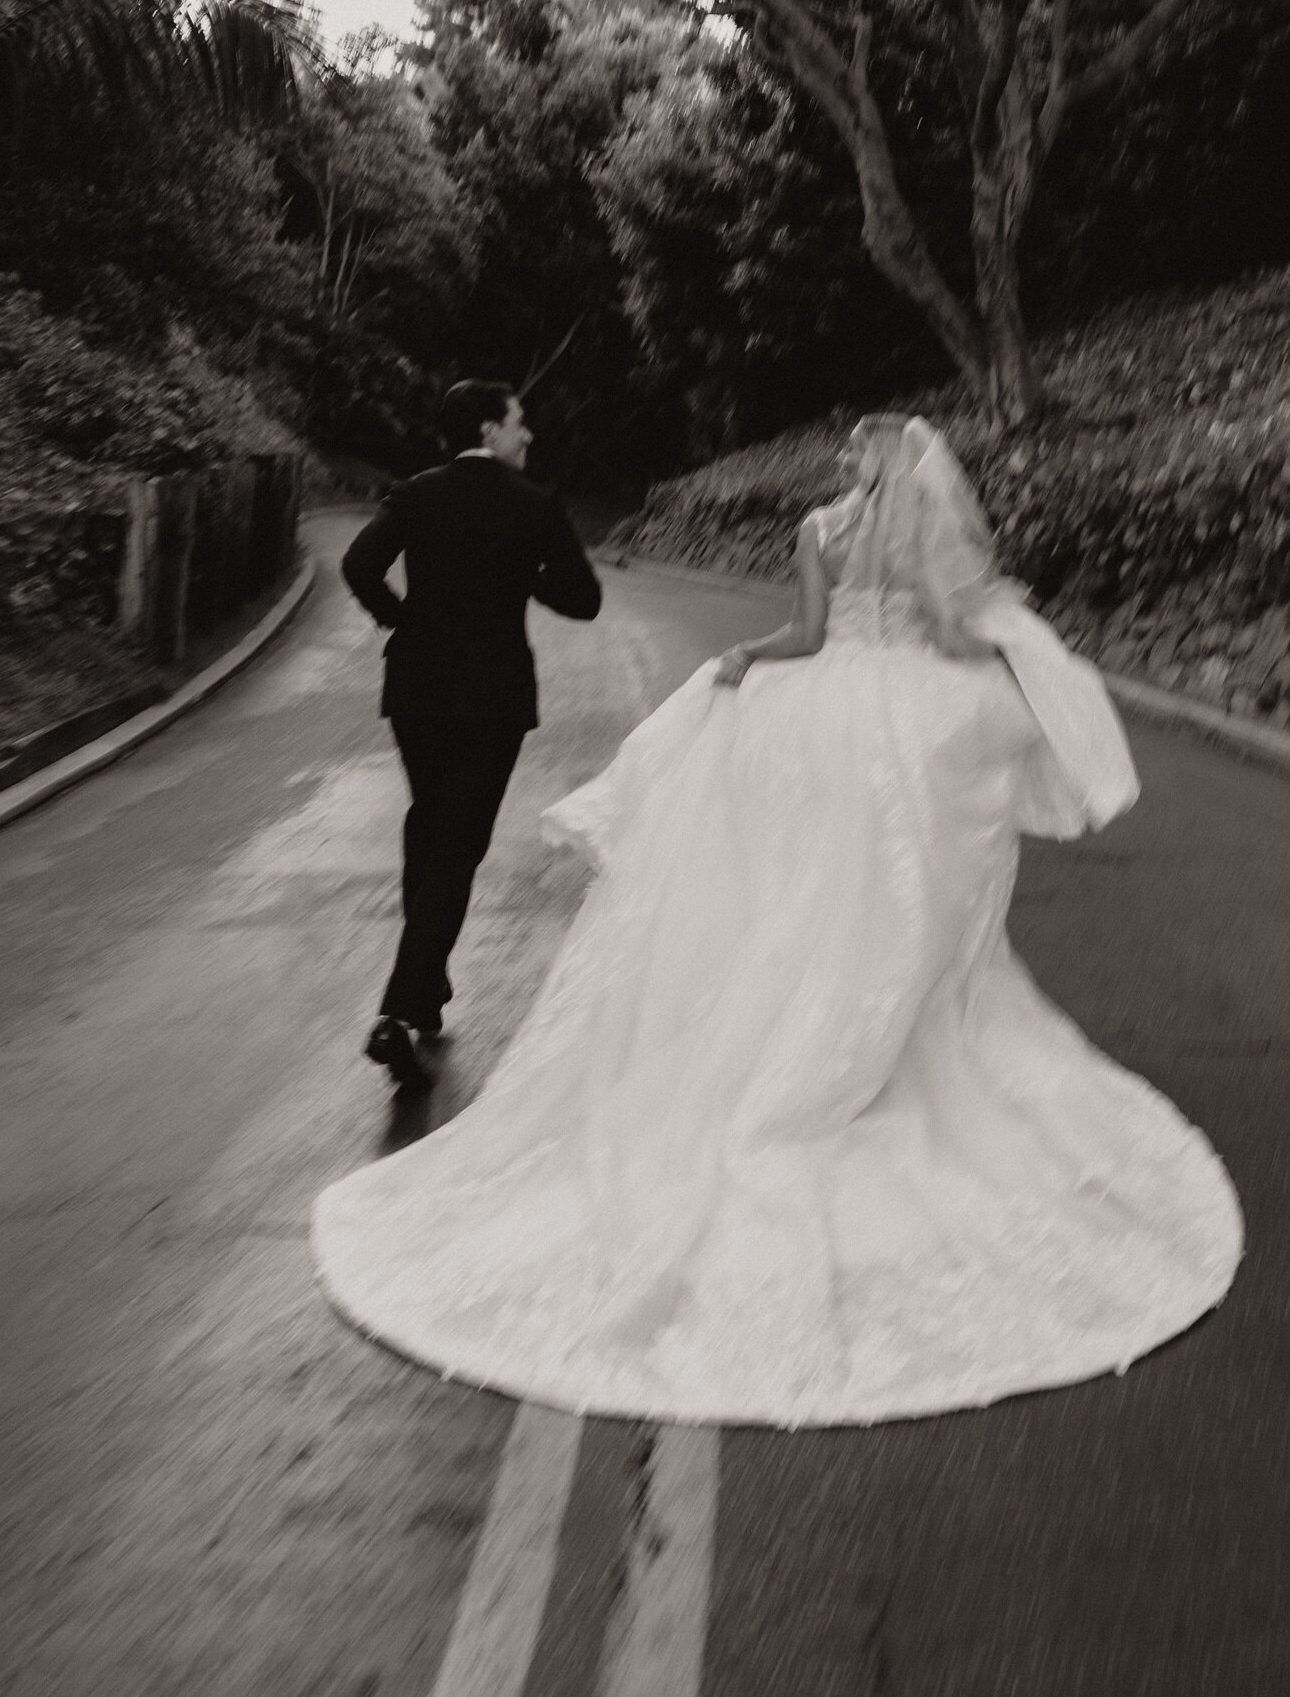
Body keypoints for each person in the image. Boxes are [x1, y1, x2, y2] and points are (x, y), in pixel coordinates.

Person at [316, 413, 1242, 1424]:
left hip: (806, 717)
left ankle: (740, 1023)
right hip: (906, 724)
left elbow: (802, 637)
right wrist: (1001, 629)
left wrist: (743, 660)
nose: (842, 461)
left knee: (790, 885)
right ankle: (874, 1039)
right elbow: (942, 626)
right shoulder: (921, 533)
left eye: (852, 451)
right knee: (893, 894)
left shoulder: (818, 529)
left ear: (864, 465)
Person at [340, 379, 602, 1090]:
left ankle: (423, 990)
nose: (529, 436)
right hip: (494, 697)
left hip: (417, 689)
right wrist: (528, 576)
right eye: (521, 424)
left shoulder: (416, 492)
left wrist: (398, 618)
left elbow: (358, 565)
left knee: (430, 829)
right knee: (457, 845)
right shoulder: (536, 505)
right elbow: (585, 600)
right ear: (490, 429)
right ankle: (396, 1011)